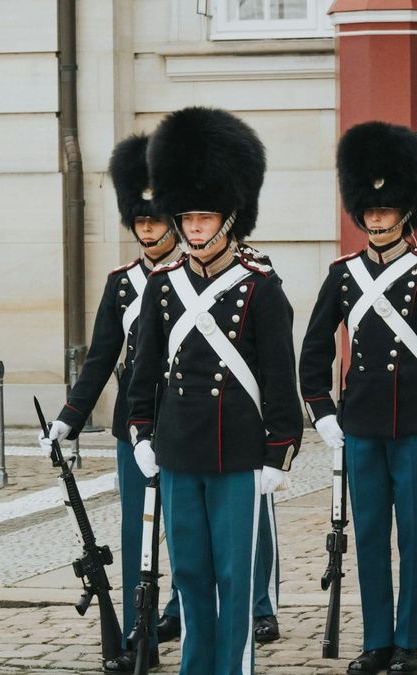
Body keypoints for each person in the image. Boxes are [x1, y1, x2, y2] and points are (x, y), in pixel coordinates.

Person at [124, 106, 302, 675]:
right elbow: (144, 372)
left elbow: (279, 376)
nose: (195, 228)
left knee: (233, 574)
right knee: (192, 574)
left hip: (236, 453)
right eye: (189, 218)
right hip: (178, 452)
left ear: (230, 219)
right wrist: (143, 432)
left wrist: (280, 449)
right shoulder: (163, 287)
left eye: (206, 217)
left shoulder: (260, 290)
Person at [300, 121, 417, 675]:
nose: (376, 217)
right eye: (368, 209)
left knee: (413, 539)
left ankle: (408, 641)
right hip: (363, 424)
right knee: (369, 536)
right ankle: (376, 639)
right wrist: (322, 410)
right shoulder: (343, 275)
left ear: (405, 210)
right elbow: (315, 346)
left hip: (416, 423)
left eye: (386, 208)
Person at [37, 132, 179, 667]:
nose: (146, 227)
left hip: (183, 417)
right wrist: (68, 419)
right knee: (134, 529)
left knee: (181, 529)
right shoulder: (123, 283)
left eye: (154, 218)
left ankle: (181, 609)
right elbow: (100, 358)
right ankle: (139, 630)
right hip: (133, 425)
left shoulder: (191, 277)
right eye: (139, 220)